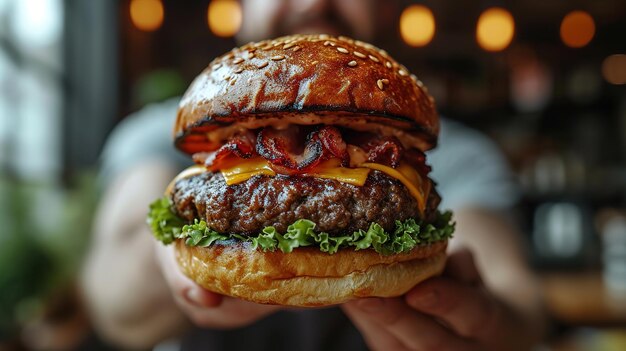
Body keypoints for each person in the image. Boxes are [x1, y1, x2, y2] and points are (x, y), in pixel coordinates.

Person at [81, 1, 546, 350]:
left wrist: (492, 323)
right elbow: (110, 301)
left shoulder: (460, 150)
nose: (314, 1)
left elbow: (518, 298)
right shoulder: (157, 128)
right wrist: (165, 263)